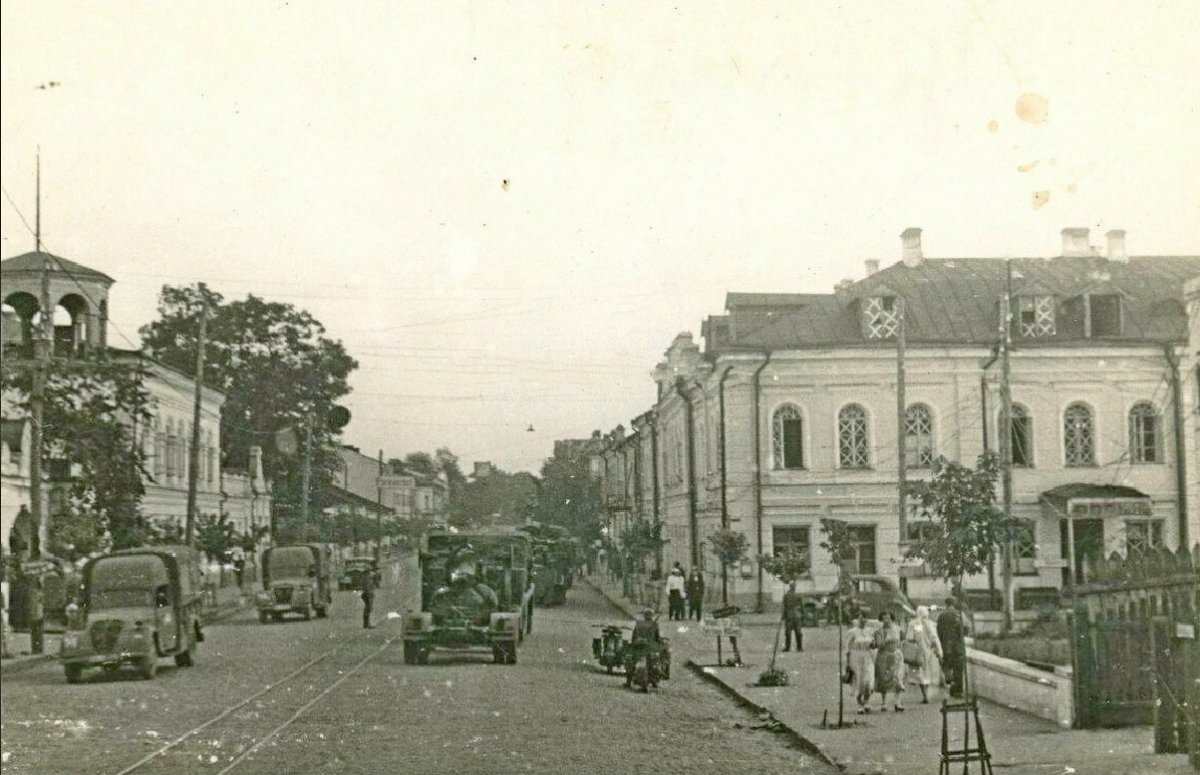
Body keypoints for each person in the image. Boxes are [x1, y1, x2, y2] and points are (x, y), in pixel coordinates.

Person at [904, 605, 943, 704]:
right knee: (927, 673)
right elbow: (935, 640)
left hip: (918, 652)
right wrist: (939, 653)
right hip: (929, 652)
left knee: (920, 674)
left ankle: (925, 695)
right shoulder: (931, 624)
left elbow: (911, 637)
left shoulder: (914, 624)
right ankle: (927, 694)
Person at [872, 610, 907, 711]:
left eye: (888, 618)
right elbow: (877, 645)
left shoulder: (898, 629)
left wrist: (901, 649)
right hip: (883, 656)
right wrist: (880, 641)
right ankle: (884, 702)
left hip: (896, 656)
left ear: (892, 618)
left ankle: (898, 703)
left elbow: (903, 640)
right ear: (881, 620)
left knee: (898, 679)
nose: (886, 620)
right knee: (884, 679)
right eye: (884, 618)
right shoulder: (879, 631)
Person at [936, 597, 968, 698]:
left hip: (946, 646)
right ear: (954, 603)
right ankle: (958, 691)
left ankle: (949, 679)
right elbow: (966, 628)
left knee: (946, 665)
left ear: (946, 604)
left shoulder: (941, 616)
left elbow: (938, 631)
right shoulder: (960, 614)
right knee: (958, 668)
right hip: (958, 646)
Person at [845, 613, 877, 714]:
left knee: (868, 679)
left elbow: (874, 645)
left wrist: (874, 644)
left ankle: (867, 701)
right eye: (861, 618)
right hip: (856, 656)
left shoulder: (870, 631)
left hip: (868, 656)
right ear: (858, 620)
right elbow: (848, 648)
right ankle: (860, 704)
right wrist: (847, 662)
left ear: (867, 620)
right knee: (858, 680)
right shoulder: (852, 632)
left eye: (865, 618)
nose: (862, 620)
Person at [625, 608, 662, 689]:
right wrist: (658, 643)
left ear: (644, 615)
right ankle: (654, 681)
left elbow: (634, 636)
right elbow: (657, 637)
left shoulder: (638, 623)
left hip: (638, 647)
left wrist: (634, 642)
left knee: (632, 662)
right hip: (649, 648)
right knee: (654, 663)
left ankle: (628, 681)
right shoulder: (654, 624)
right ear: (651, 616)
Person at [781, 581, 805, 652]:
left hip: (795, 616)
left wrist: (802, 615)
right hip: (791, 616)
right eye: (792, 586)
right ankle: (789, 647)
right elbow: (784, 606)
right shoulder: (787, 596)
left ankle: (798, 647)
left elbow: (802, 606)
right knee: (789, 633)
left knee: (797, 633)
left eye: (794, 586)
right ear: (791, 587)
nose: (793, 587)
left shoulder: (796, 596)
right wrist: (783, 616)